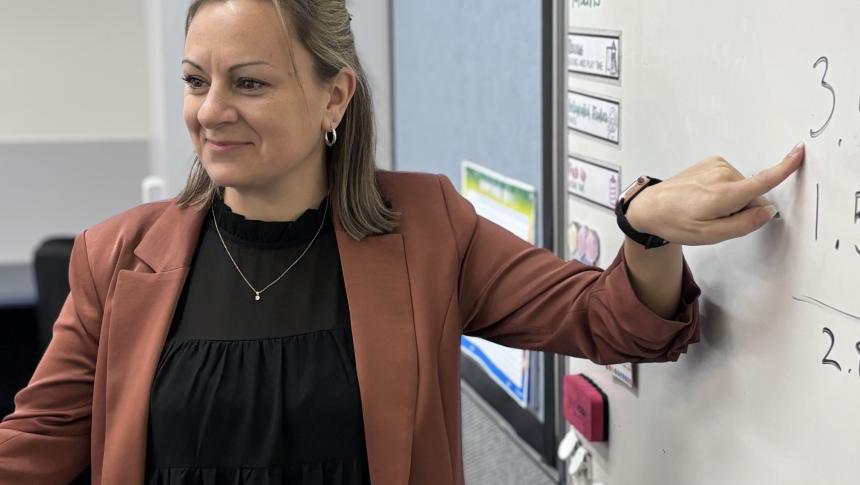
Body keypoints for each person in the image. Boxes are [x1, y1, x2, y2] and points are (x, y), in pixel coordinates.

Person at [0, 1, 804, 484]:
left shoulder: (427, 229)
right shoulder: (117, 257)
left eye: (248, 82)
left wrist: (645, 225)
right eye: (193, 79)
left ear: (333, 96)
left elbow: (612, 320)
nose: (210, 111)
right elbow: (33, 451)